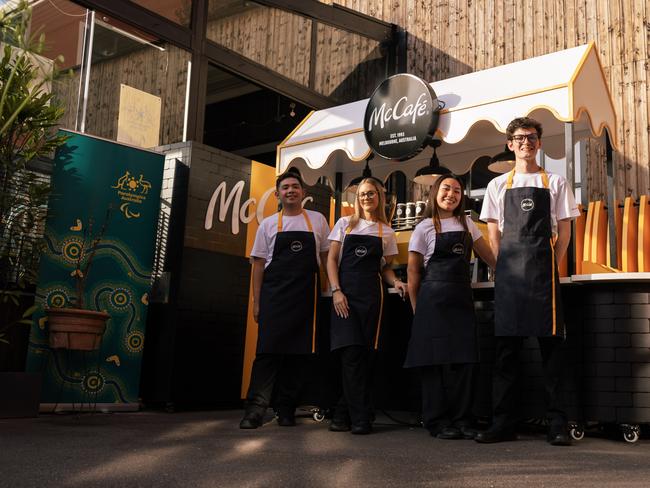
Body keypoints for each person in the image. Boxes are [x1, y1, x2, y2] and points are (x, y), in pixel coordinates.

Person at [476, 117, 580, 445]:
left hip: (543, 275)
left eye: (531, 137)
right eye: (519, 138)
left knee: (552, 354)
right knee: (506, 354)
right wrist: (501, 264)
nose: (526, 142)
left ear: (539, 143)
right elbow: (493, 231)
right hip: (509, 276)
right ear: (510, 144)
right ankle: (503, 423)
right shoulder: (497, 186)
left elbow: (564, 230)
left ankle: (557, 424)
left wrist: (552, 262)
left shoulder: (556, 182)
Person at [404, 174, 495, 440]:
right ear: (435, 193)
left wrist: (509, 273)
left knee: (465, 361)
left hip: (461, 300)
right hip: (432, 301)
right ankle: (437, 421)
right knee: (433, 363)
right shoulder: (423, 228)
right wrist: (416, 308)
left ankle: (463, 420)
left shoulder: (468, 223)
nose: (451, 194)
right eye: (446, 189)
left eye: (457, 190)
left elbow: (488, 256)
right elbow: (413, 272)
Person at [239, 169, 331, 429]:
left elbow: (326, 259)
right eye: (285, 187)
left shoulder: (318, 220)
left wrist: (332, 290)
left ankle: (286, 408)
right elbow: (257, 265)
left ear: (303, 192)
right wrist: (257, 302)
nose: (290, 190)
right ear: (278, 194)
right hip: (274, 297)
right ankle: (254, 411)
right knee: (267, 355)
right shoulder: (269, 224)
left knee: (298, 356)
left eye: (295, 186)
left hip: (307, 299)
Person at [326, 177, 407, 435]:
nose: (366, 198)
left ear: (379, 197)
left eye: (371, 193)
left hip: (373, 299)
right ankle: (361, 418)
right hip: (345, 298)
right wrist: (336, 290)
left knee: (365, 358)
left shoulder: (386, 232)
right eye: (361, 194)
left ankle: (341, 414)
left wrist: (397, 282)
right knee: (351, 355)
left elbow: (384, 268)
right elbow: (331, 260)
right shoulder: (344, 225)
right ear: (356, 198)